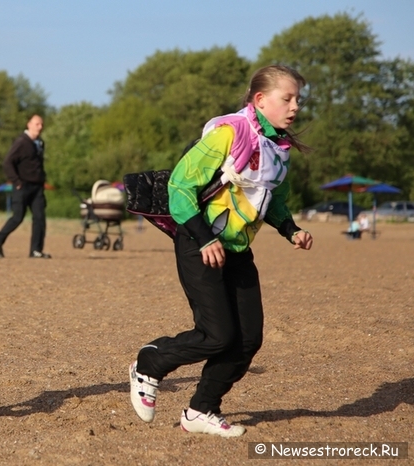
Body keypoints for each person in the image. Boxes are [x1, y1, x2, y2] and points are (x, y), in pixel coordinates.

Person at [128, 65, 314, 437]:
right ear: (260, 100)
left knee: (248, 339)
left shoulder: (279, 149)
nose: (295, 107)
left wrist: (290, 229)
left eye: (298, 100)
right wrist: (205, 237)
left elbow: (273, 199)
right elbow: (180, 185)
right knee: (216, 335)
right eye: (287, 98)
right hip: (199, 242)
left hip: (237, 249)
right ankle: (150, 362)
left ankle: (201, 410)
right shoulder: (230, 133)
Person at [0, 114, 51, 258]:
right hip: (22, 186)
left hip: (37, 187)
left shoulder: (39, 143)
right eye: (37, 124)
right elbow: (7, 162)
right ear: (29, 124)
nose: (40, 127)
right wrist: (16, 181)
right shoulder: (21, 142)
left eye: (41, 124)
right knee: (18, 217)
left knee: (39, 218)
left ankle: (36, 250)